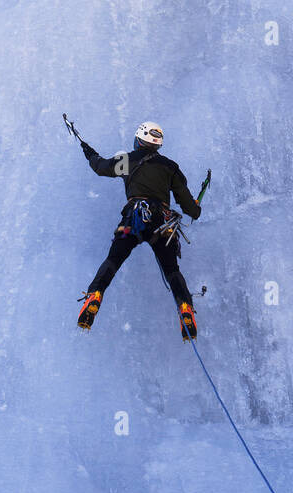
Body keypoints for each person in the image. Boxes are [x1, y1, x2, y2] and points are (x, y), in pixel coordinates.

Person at [75, 121, 201, 340]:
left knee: (113, 259)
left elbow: (100, 167)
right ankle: (185, 307)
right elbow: (191, 209)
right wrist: (196, 207)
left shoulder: (129, 160)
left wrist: (88, 151)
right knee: (172, 270)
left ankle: (95, 294)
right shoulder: (170, 167)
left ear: (139, 140)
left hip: (133, 220)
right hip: (162, 225)